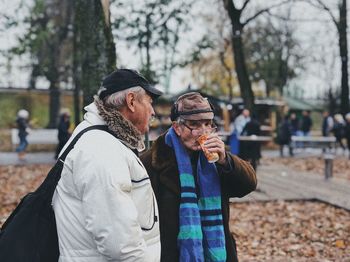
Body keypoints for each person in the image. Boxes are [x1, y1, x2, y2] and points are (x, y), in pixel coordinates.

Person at [52, 69, 162, 261]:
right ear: (131, 101)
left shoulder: (100, 139)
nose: (153, 111)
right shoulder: (101, 150)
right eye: (150, 102)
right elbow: (121, 247)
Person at [140, 92, 257, 262]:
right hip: (172, 253)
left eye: (208, 124)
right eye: (194, 125)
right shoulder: (153, 161)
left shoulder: (216, 159)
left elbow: (248, 185)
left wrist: (226, 160)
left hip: (218, 252)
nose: (203, 132)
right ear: (177, 127)